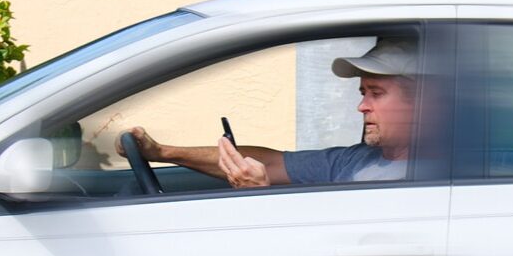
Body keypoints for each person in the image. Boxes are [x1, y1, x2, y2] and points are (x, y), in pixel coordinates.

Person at [127, 38, 417, 189]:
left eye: (376, 94)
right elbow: (273, 162)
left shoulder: (432, 176)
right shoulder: (356, 159)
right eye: (363, 93)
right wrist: (162, 152)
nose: (362, 106)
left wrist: (260, 195)